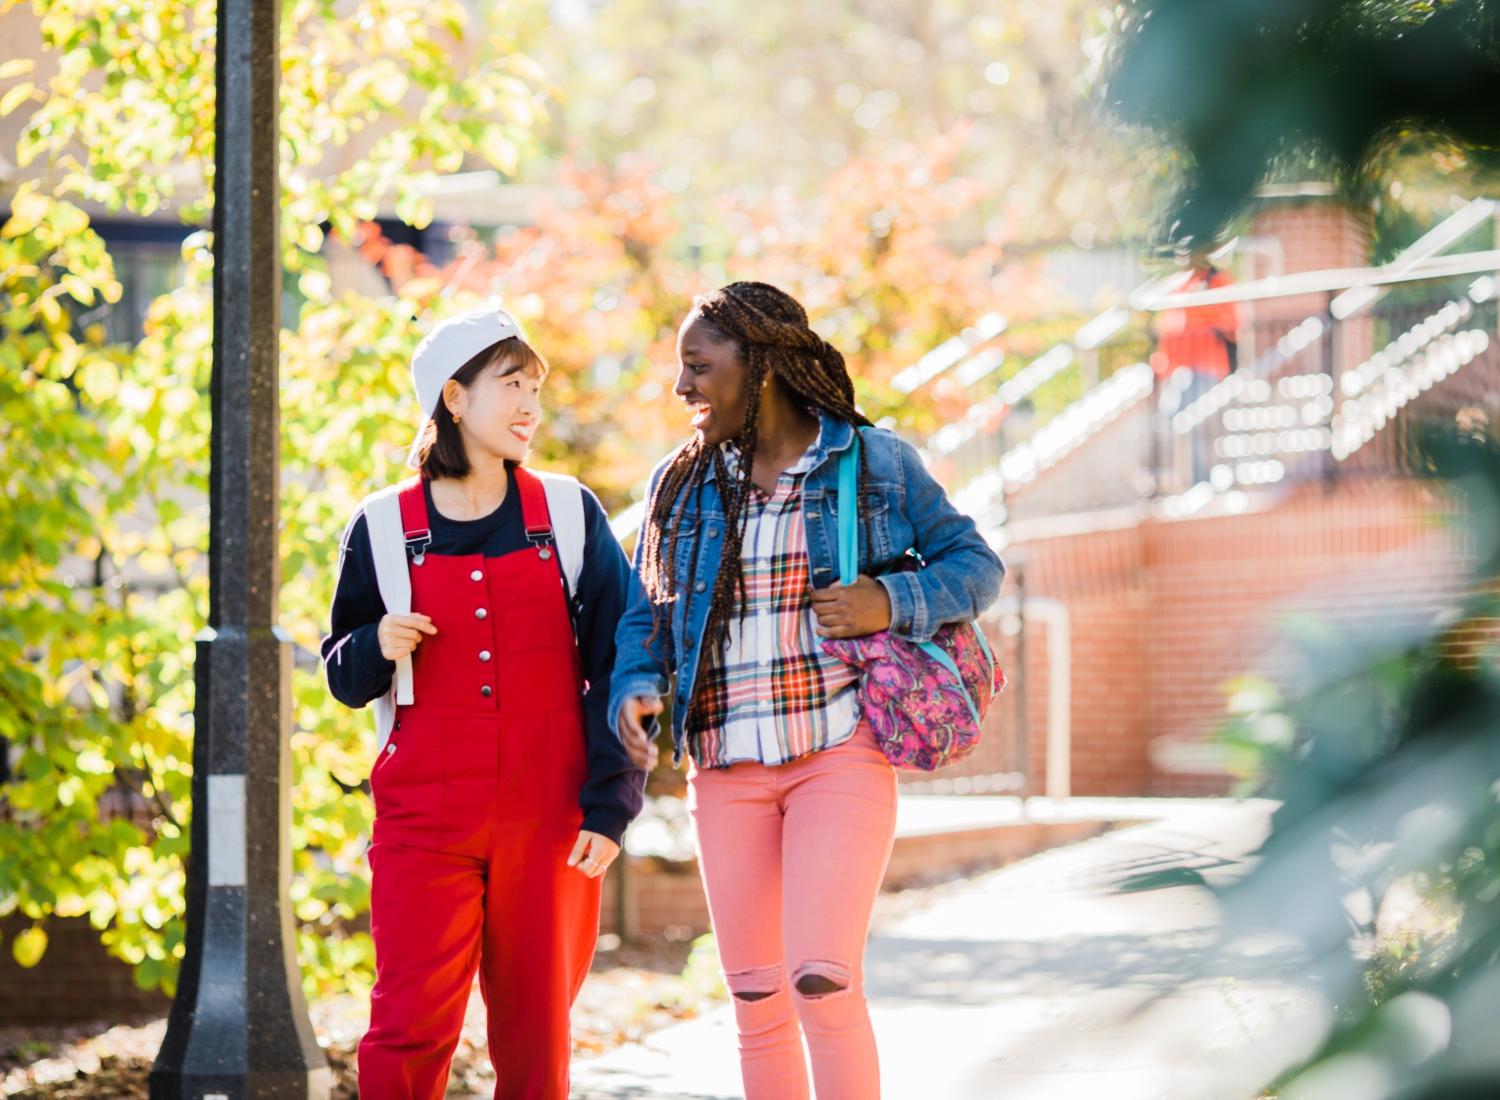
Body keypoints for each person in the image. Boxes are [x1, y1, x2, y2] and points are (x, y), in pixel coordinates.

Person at [609, 282, 1004, 1099]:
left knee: (821, 978)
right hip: (727, 765)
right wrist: (636, 685)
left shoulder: (874, 463)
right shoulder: (679, 485)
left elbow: (977, 567)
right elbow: (645, 613)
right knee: (756, 995)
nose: (681, 388)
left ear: (760, 368)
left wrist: (888, 601)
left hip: (839, 752)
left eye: (698, 366)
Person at [320, 304, 643, 1099]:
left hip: (551, 813)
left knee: (538, 1036)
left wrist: (611, 803)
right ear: (453, 399)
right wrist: (376, 645)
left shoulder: (568, 514)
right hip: (423, 816)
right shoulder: (383, 526)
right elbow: (342, 672)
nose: (530, 403)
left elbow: (623, 660)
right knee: (407, 1027)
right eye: (510, 383)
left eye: (536, 384)